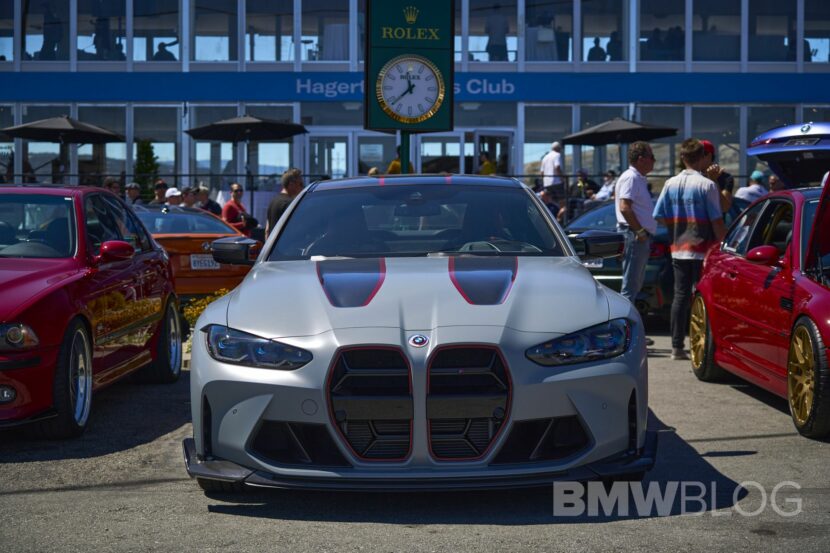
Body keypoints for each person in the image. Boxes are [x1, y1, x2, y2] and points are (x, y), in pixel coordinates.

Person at [653, 138, 727, 360]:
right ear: (703, 157)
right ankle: (702, 344)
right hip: (703, 249)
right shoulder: (707, 185)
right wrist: (724, 245)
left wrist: (676, 230)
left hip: (678, 248)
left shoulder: (670, 184)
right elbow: (716, 219)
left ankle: (677, 346)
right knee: (702, 298)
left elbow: (659, 216)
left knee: (680, 297)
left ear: (683, 158)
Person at [615, 141, 658, 315]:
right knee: (630, 286)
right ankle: (625, 332)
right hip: (633, 235)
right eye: (651, 157)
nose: (654, 161)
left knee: (634, 284)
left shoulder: (636, 178)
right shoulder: (631, 177)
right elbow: (625, 207)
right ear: (641, 159)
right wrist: (640, 232)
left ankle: (628, 331)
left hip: (636, 235)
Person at [266, 168, 304, 235]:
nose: (302, 187)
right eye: (300, 184)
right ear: (291, 184)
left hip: (273, 244)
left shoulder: (273, 201)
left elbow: (267, 230)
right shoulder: (290, 204)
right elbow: (297, 230)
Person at [700, 140, 735, 214]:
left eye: (699, 155)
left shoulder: (726, 178)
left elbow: (724, 207)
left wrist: (713, 180)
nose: (696, 159)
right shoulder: (693, 176)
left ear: (709, 156)